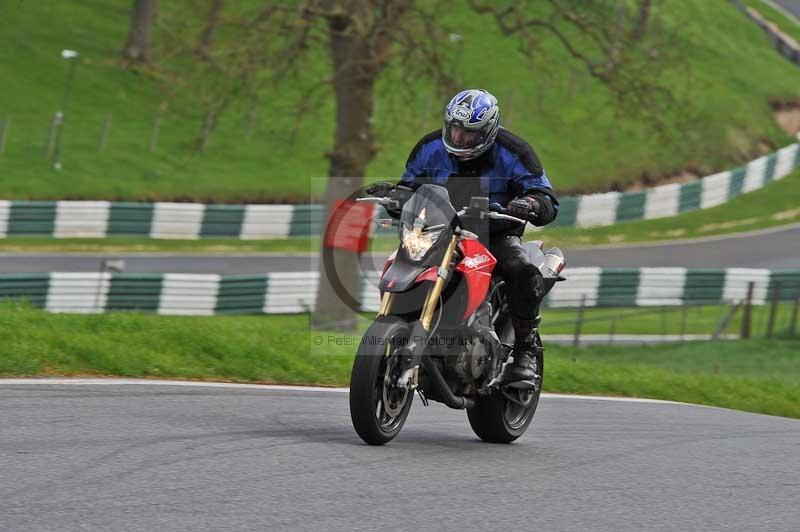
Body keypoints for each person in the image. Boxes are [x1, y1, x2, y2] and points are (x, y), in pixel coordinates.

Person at [367, 88, 558, 386]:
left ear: (489, 131)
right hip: (437, 231)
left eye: (469, 134)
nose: (460, 139)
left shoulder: (515, 151)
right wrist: (394, 195)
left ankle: (525, 351)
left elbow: (545, 197)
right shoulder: (429, 147)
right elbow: (410, 186)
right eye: (455, 130)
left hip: (494, 235)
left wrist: (530, 203)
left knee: (525, 273)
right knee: (403, 258)